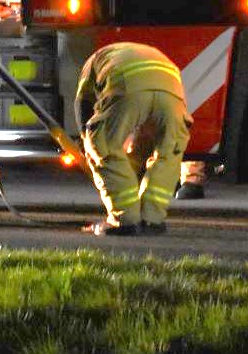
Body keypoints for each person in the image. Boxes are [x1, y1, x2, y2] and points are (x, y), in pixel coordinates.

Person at [74, 42, 191, 236]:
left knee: (103, 146)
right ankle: (152, 220)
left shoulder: (95, 60)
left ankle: (124, 220)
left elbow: (82, 102)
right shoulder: (151, 52)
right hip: (172, 95)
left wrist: (84, 139)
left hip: (130, 89)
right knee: (168, 153)